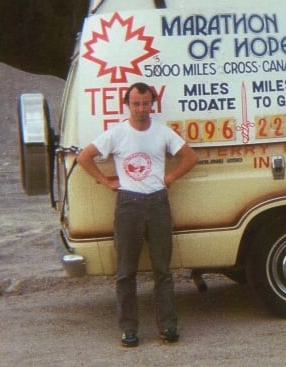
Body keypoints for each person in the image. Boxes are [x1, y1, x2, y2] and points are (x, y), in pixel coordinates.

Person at [76, 82, 198, 347]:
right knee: (125, 271)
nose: (141, 109)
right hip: (128, 204)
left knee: (162, 271)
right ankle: (129, 329)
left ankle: (167, 327)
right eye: (136, 104)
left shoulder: (163, 132)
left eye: (145, 103)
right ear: (127, 105)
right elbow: (84, 157)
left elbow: (190, 157)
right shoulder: (116, 133)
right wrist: (105, 181)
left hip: (157, 203)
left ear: (152, 104)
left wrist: (170, 178)